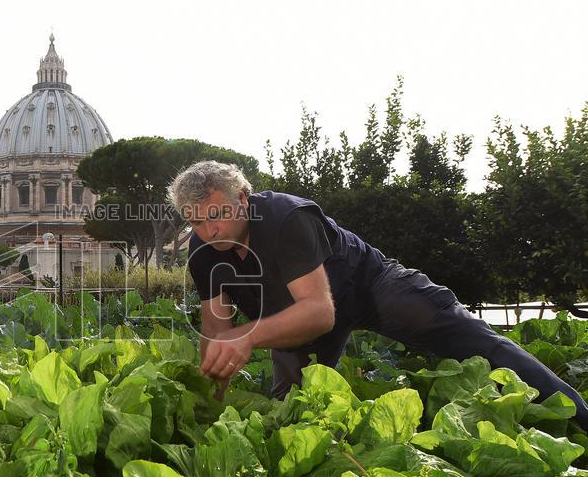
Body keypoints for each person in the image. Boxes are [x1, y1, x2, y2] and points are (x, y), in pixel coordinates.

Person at [168, 160, 588, 429]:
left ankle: (580, 421)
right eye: (197, 221)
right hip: (289, 318)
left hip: (365, 284)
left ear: (243, 199)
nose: (210, 231)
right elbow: (216, 330)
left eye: (217, 215)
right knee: (292, 412)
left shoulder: (284, 219)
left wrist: (249, 336)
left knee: (461, 332)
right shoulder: (204, 252)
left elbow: (319, 312)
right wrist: (212, 397)